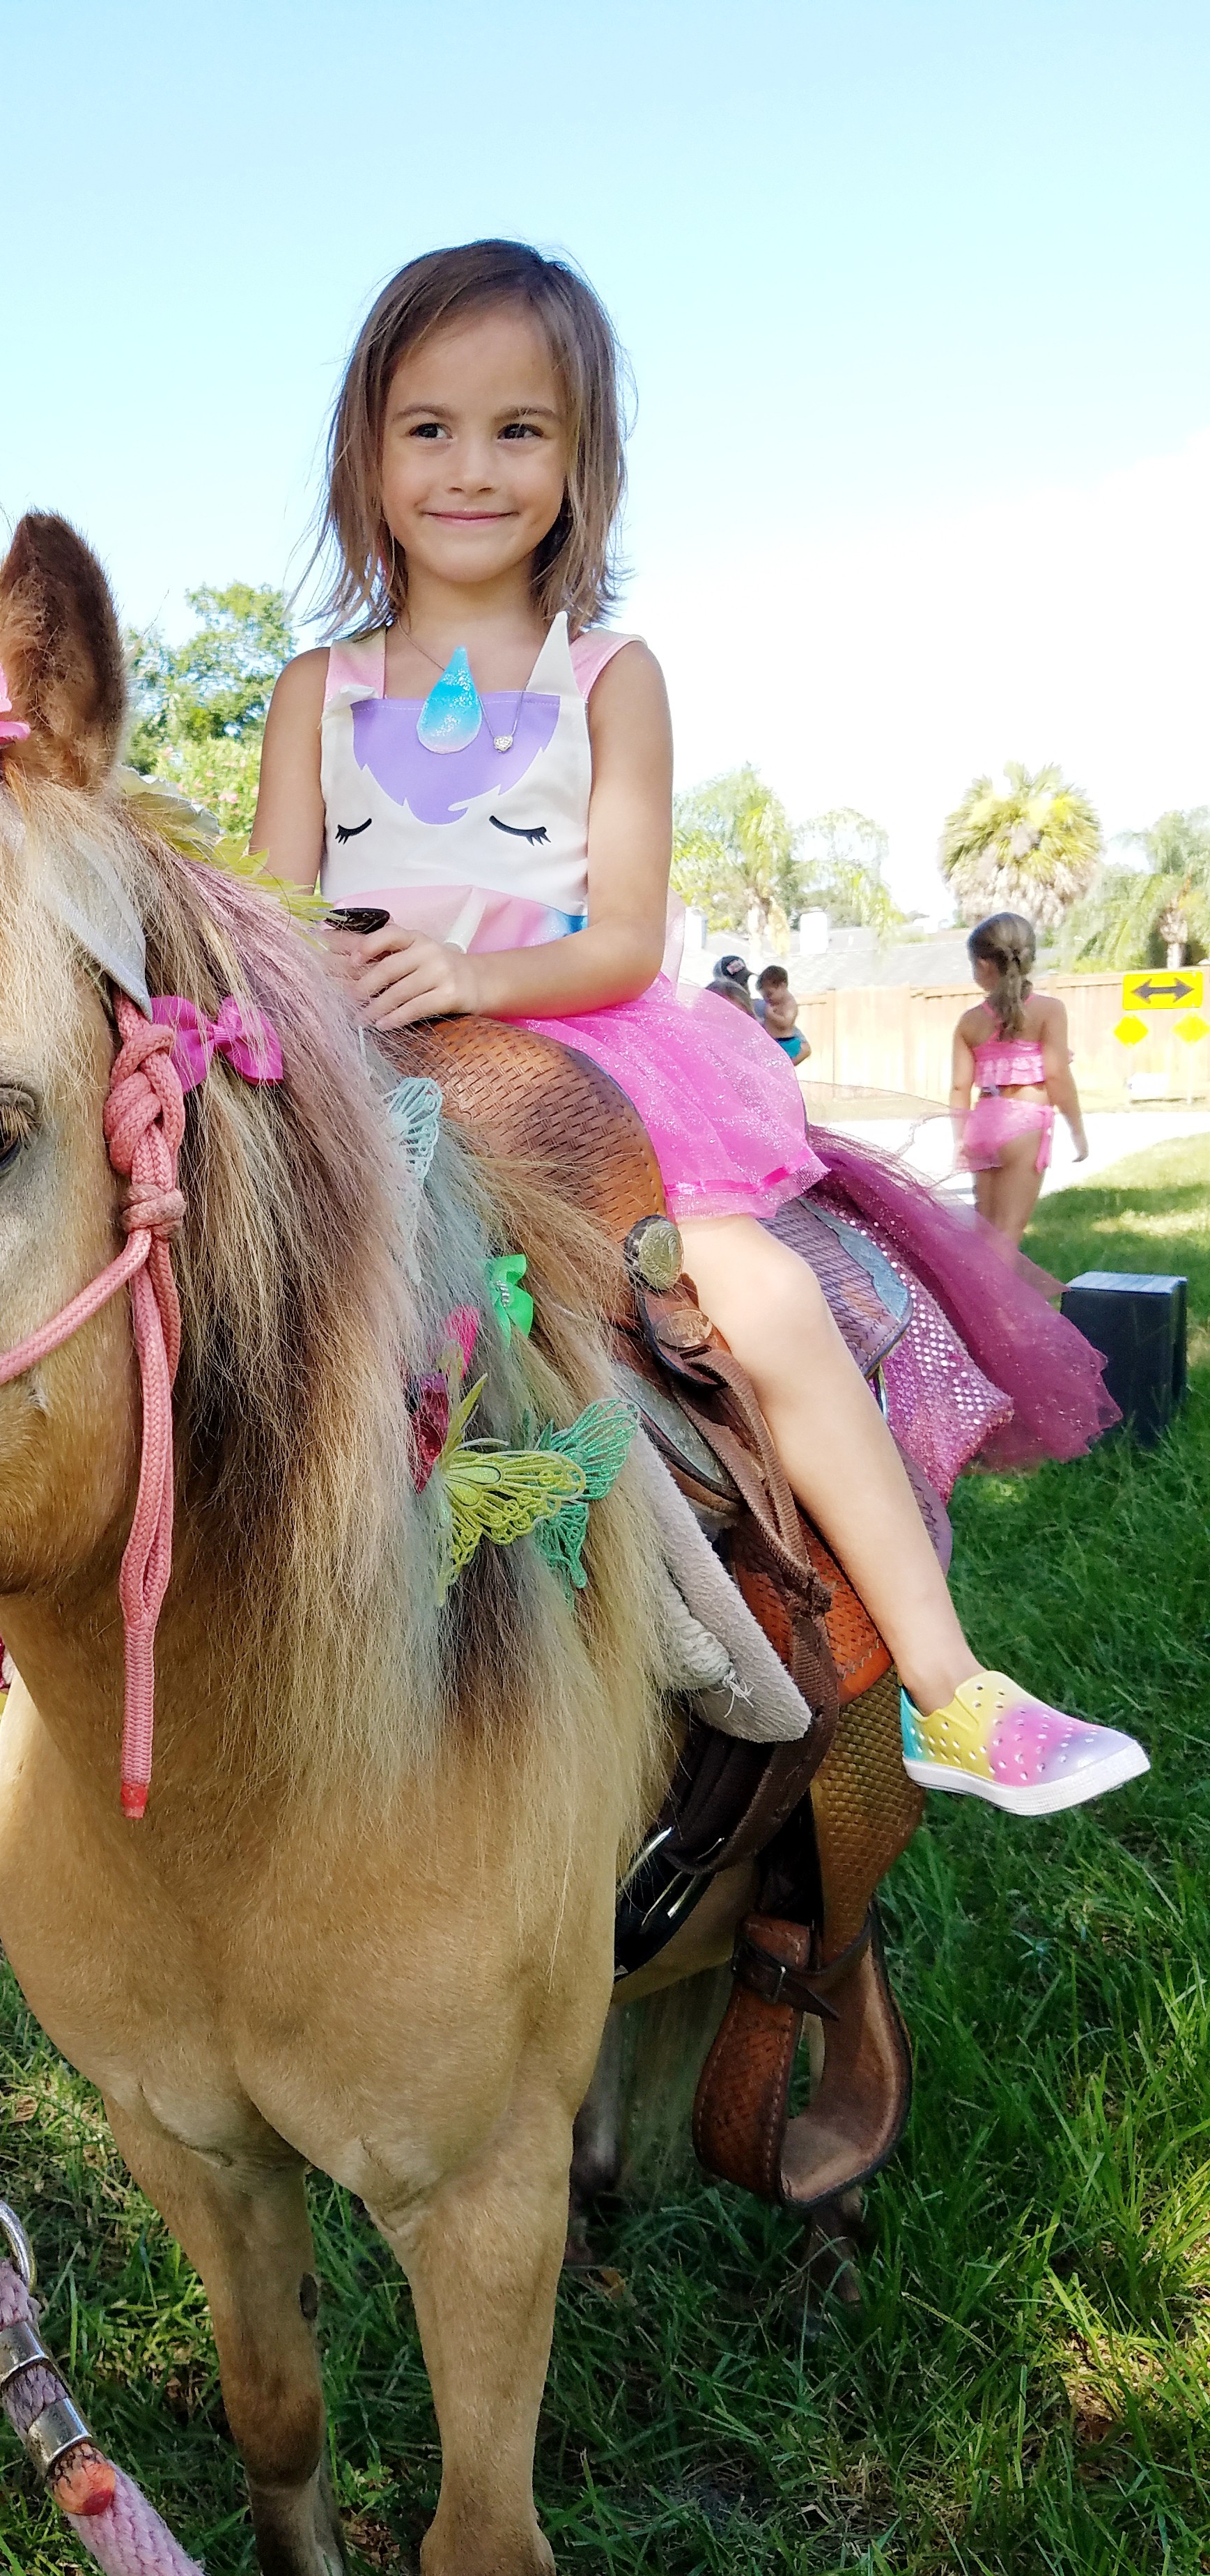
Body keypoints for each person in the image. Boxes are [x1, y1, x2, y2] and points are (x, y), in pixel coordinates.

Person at [251, 238, 1143, 1814]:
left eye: (518, 429)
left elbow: (627, 934)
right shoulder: (317, 690)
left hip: (566, 1065)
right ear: (366, 454)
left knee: (760, 1294)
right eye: (428, 427)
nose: (471, 467)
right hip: (362, 1073)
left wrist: (469, 973)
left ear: (581, 459)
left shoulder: (608, 674)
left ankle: (947, 1689)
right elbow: (273, 917)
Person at [949, 913, 1087, 1252]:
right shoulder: (1049, 1011)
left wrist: (960, 1138)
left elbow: (959, 1088)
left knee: (984, 1231)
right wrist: (1077, 1129)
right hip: (1025, 1122)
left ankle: (972, 1302)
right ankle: (995, 1308)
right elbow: (1056, 1074)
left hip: (984, 1121)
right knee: (1007, 1233)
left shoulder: (970, 1021)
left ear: (982, 965)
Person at [757, 963, 811, 1063]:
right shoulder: (772, 1004)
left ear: (782, 986)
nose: (766, 999)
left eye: (769, 994)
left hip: (786, 1043)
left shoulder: (789, 1004)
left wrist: (771, 1015)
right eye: (764, 996)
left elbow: (786, 1023)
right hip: (775, 1042)